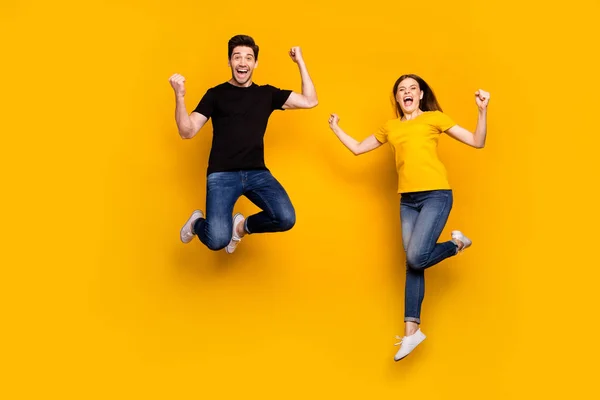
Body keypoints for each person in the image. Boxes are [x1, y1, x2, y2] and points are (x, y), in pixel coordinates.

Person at [327, 74, 489, 361]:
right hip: (408, 201)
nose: (407, 93)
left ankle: (457, 245)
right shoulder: (390, 127)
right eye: (402, 90)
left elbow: (477, 142)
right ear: (397, 98)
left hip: (436, 195)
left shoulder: (434, 118)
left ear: (421, 93)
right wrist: (336, 128)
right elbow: (357, 149)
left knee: (416, 257)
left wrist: (482, 110)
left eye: (412, 88)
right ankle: (411, 331)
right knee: (413, 264)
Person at [170, 34, 318, 254]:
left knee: (286, 217)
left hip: (257, 173)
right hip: (222, 176)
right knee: (217, 240)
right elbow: (187, 131)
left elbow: (310, 100)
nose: (242, 62)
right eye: (237, 57)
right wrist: (180, 96)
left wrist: (301, 62)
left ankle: (241, 227)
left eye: (248, 58)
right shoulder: (215, 94)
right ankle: (196, 224)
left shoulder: (266, 94)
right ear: (229, 61)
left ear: (255, 63)